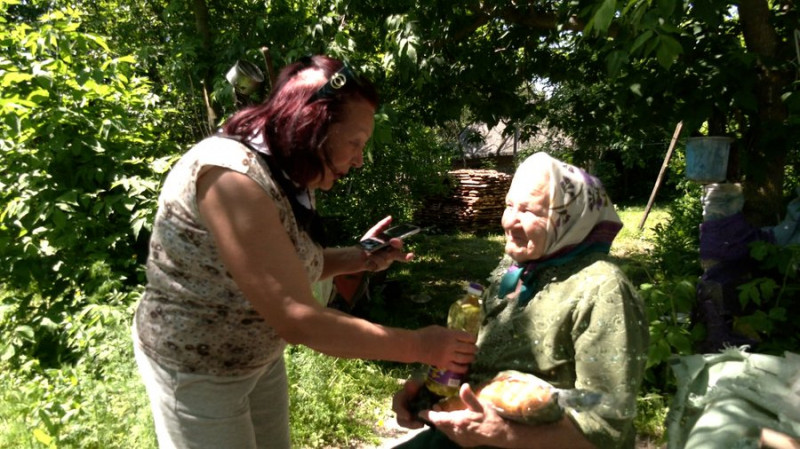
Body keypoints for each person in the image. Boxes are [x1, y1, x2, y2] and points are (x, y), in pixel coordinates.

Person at [132, 55, 477, 449]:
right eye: (355, 143)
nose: (360, 159)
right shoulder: (231, 178)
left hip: (256, 359)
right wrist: (421, 345)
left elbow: (283, 267)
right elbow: (299, 320)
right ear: (313, 126)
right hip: (196, 368)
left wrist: (362, 257)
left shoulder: (287, 172)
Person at [392, 152, 649, 448]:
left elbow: (605, 429)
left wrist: (502, 434)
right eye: (509, 205)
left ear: (569, 220)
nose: (509, 220)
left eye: (529, 211)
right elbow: (478, 354)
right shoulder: (517, 273)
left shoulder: (603, 289)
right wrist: (424, 388)